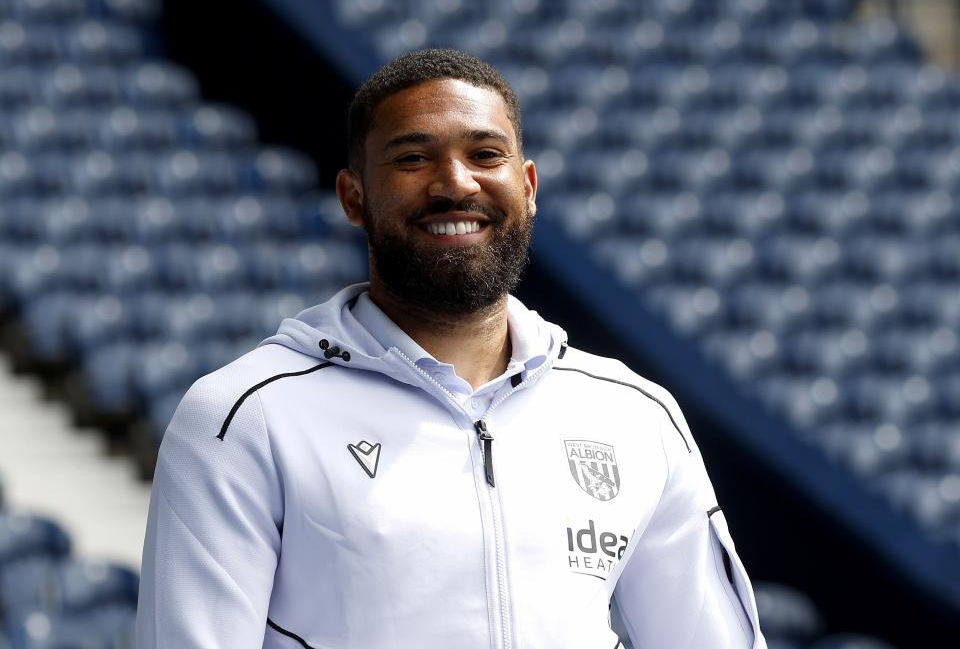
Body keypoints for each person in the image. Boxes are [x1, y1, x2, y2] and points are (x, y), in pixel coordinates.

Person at [136, 48, 767, 648]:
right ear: (354, 197)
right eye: (413, 159)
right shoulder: (244, 416)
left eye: (485, 154)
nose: (455, 183)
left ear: (528, 186)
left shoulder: (634, 416)